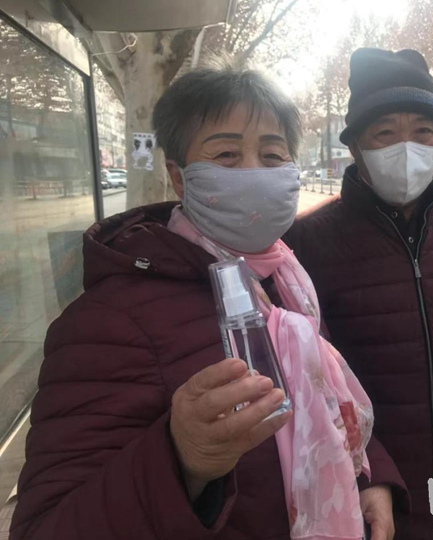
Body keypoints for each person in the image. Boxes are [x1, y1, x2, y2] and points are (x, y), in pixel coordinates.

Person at [11, 65, 404, 540]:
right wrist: (181, 459)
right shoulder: (109, 319)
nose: (255, 173)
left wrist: (368, 474)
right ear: (178, 178)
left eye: (273, 155)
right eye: (226, 155)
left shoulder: (287, 280)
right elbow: (45, 524)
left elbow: (325, 393)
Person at [284, 48, 433, 540]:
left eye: (423, 131)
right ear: (356, 147)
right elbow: (301, 377)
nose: (408, 147)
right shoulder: (307, 241)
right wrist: (362, 473)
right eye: (386, 133)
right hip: (370, 505)